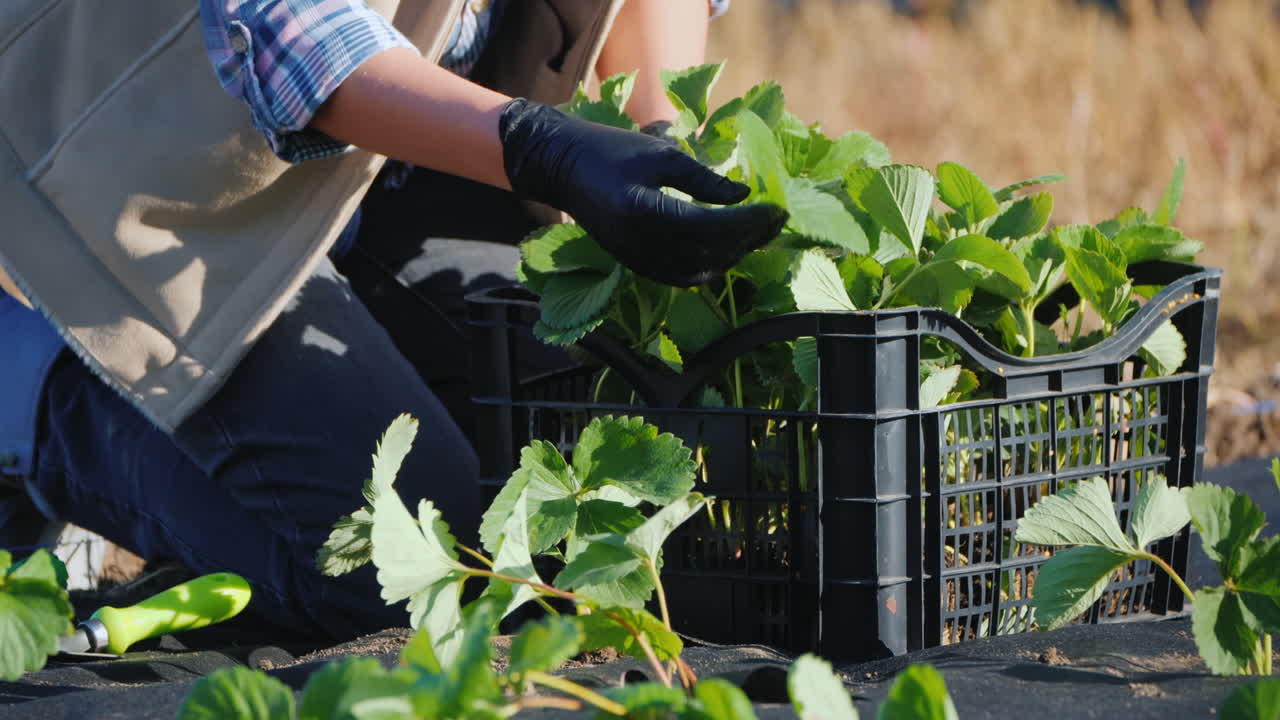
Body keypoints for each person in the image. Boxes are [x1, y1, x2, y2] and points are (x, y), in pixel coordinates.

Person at [0, 0, 785, 641]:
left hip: (379, 174)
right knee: (410, 579)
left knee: (559, 468)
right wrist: (544, 150)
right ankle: (43, 403)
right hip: (143, 194)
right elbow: (293, 32)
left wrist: (660, 141)